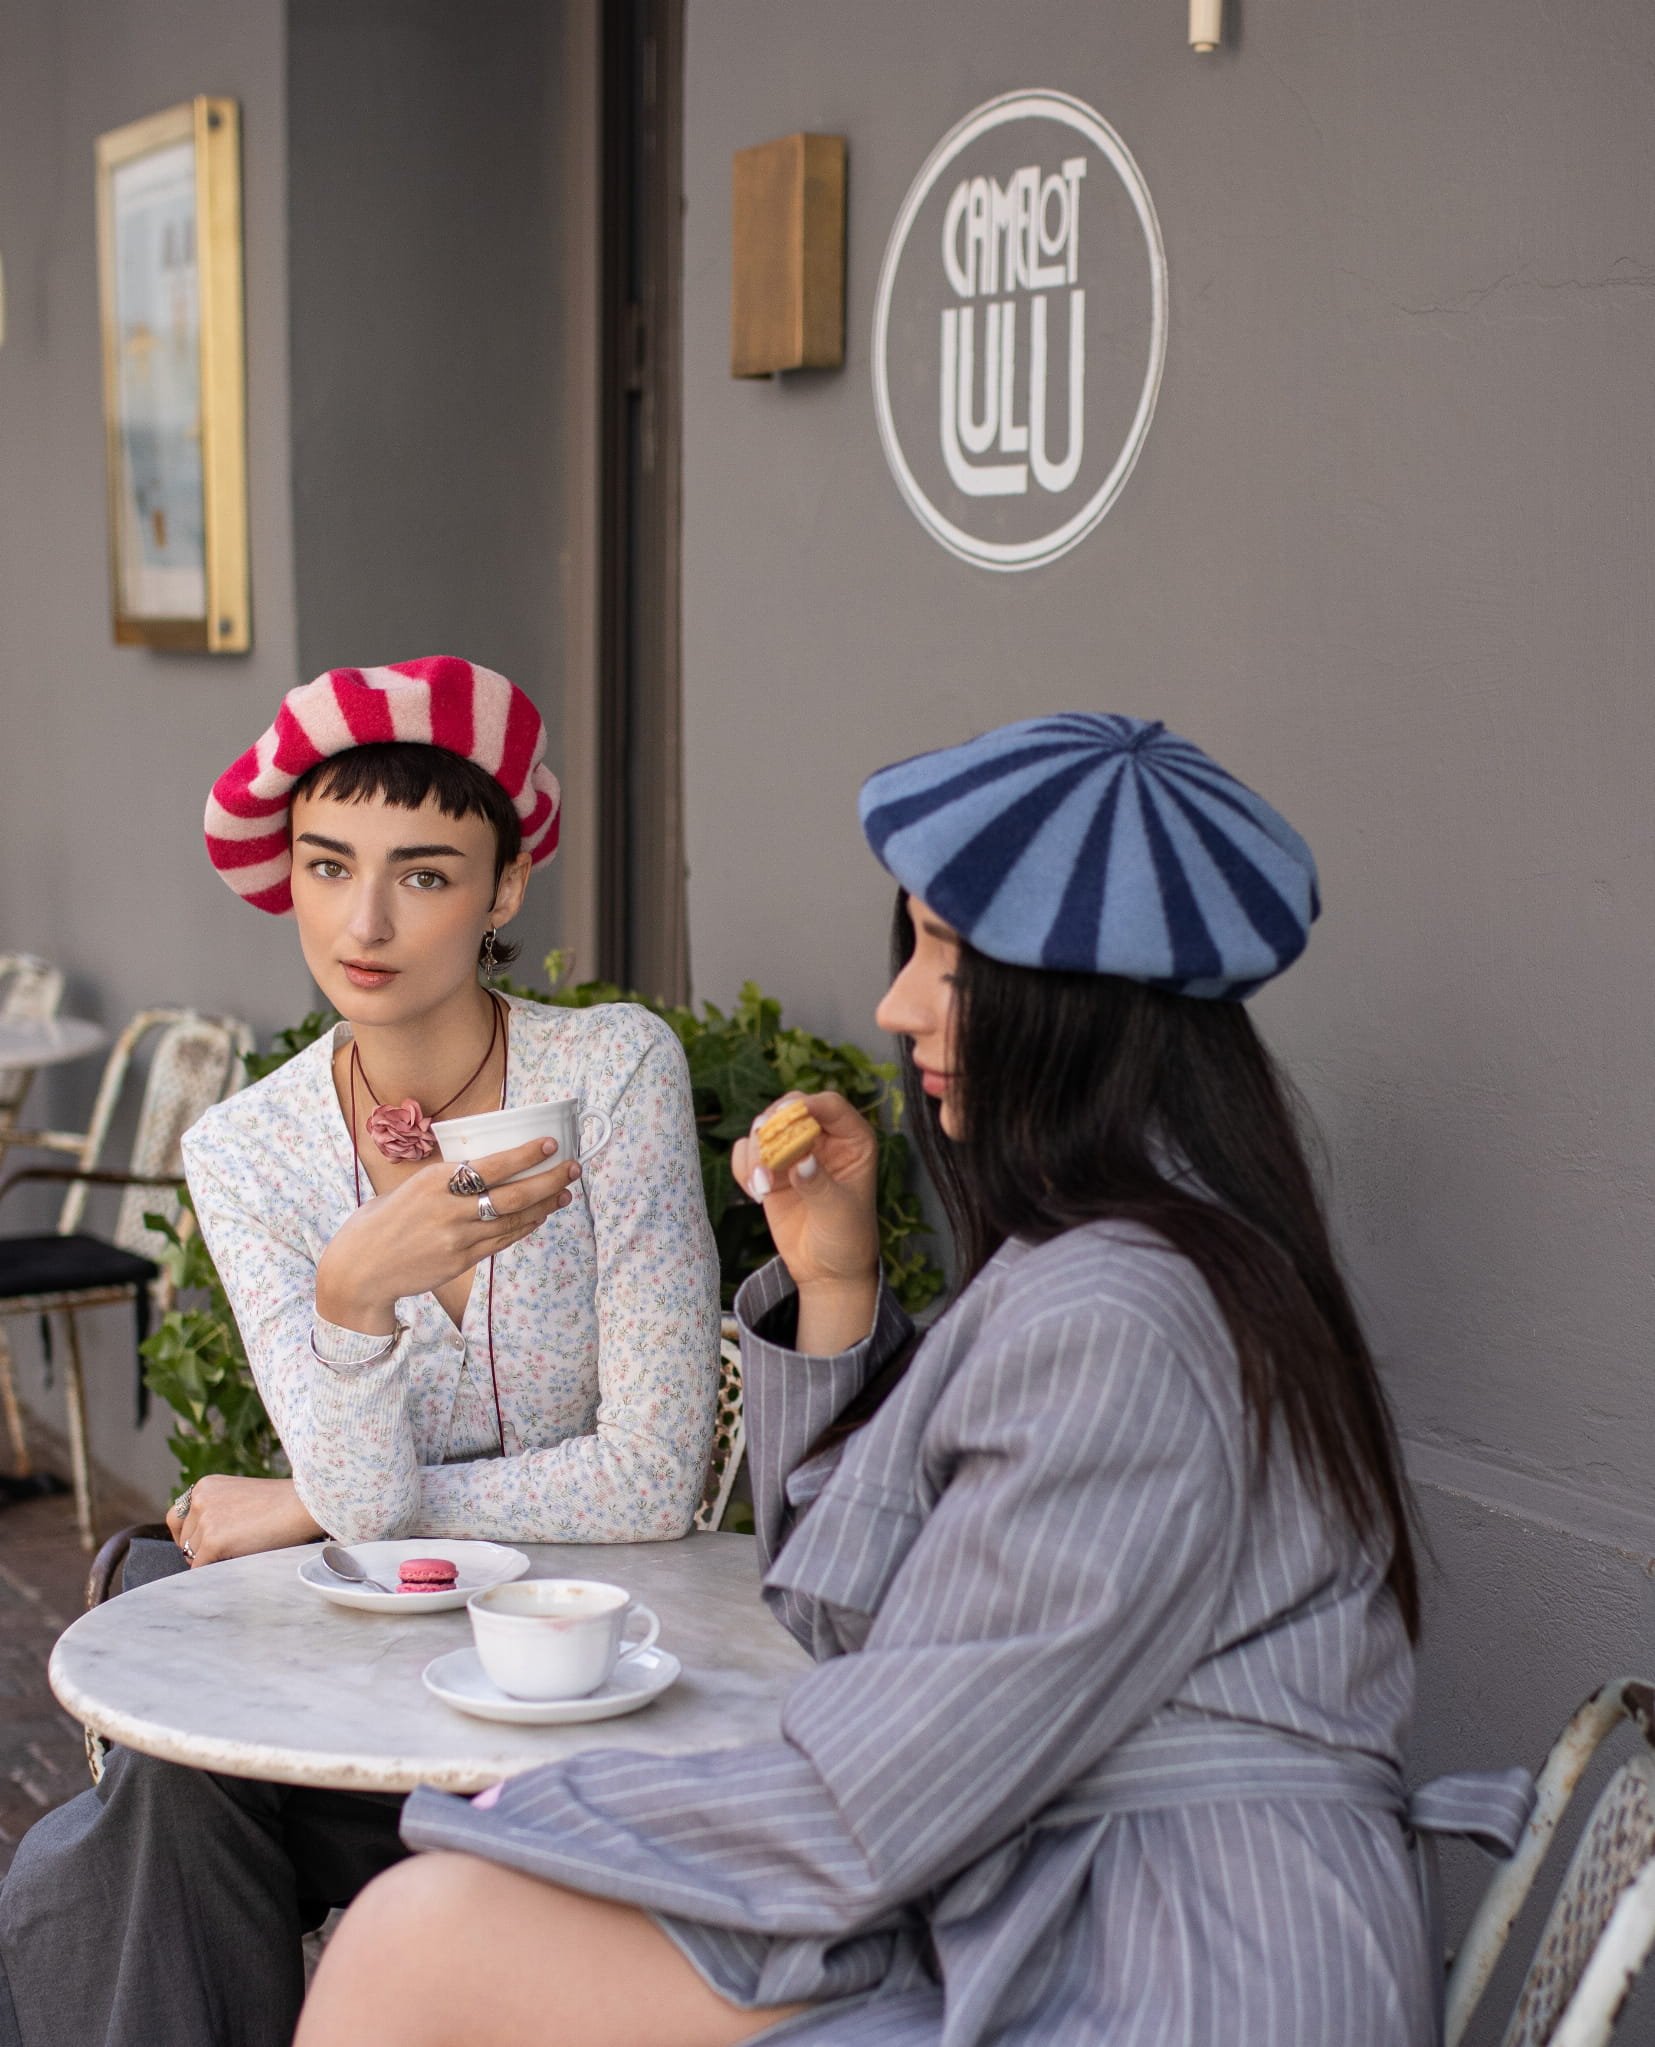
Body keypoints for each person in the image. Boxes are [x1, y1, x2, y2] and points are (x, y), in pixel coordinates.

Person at [291, 712, 1446, 2047]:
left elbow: (889, 1789)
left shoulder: (1123, 1310)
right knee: (430, 1939)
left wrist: (522, 1812)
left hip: (1179, 1973)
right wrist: (835, 1287)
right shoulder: (1121, 1258)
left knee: (420, 1939)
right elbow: (860, 1614)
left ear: (1081, 1002)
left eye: (948, 958)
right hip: (1064, 1906)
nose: (898, 1005)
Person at [0, 655, 721, 2047]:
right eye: (328, 867)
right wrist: (349, 1300)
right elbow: (374, 1502)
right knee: (173, 1789)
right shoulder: (248, 1149)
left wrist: (305, 1508)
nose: (364, 921)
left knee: (143, 1820)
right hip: (345, 1680)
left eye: (425, 874)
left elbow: (648, 1484)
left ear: (506, 888)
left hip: (575, 1676)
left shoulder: (613, 1072)